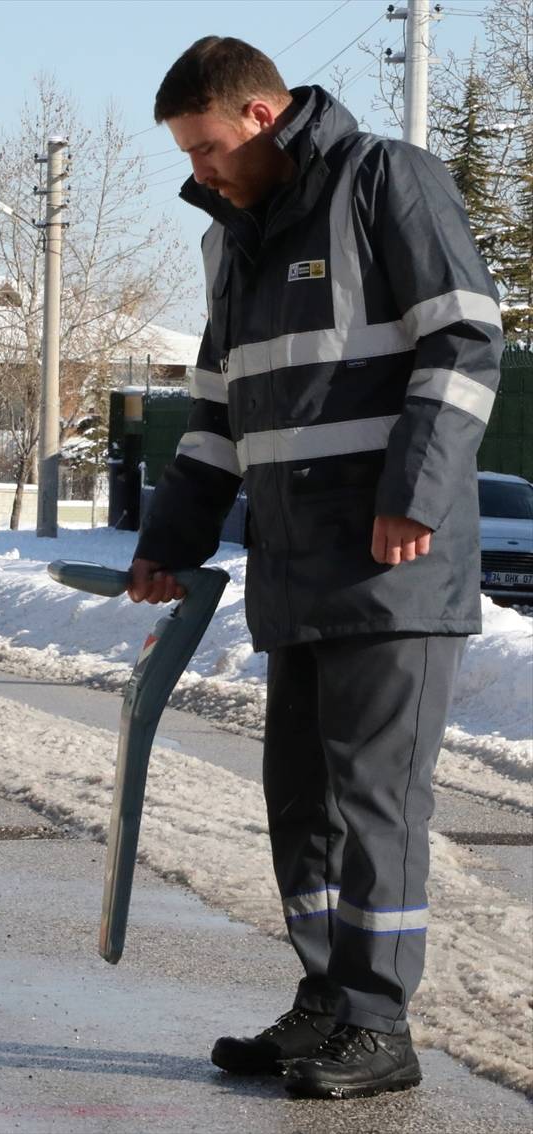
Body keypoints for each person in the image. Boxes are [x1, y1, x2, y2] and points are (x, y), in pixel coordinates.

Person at [129, 37, 504, 1100]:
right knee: (301, 801)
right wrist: (171, 539)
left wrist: (411, 495)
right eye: (188, 154)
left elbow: (467, 340)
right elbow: (216, 416)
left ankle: (379, 1022)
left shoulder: (386, 179)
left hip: (396, 563)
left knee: (376, 800)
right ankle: (326, 1002)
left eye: (207, 147)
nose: (198, 171)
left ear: (261, 113)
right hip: (292, 569)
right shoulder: (239, 246)